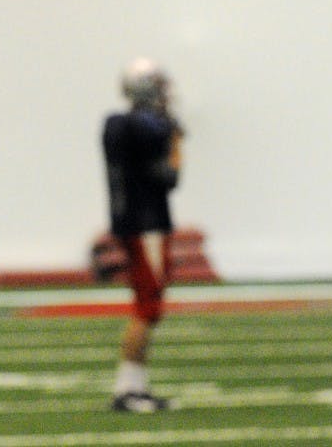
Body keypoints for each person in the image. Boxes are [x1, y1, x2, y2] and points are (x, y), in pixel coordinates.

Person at [101, 57, 182, 413]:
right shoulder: (143, 129)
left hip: (133, 222)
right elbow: (169, 177)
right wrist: (176, 143)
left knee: (147, 307)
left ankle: (135, 387)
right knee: (147, 309)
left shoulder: (118, 126)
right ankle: (127, 391)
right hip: (147, 225)